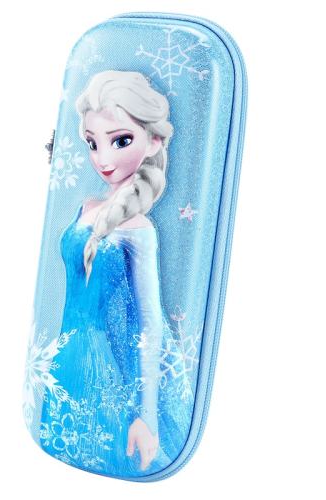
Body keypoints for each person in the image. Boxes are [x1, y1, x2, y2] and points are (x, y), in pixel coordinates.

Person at [39, 71, 194, 477]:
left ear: (154, 141)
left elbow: (150, 322)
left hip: (108, 371)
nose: (103, 160)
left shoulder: (139, 229)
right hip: (66, 358)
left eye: (121, 141)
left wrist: (147, 416)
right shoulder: (85, 208)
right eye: (92, 143)